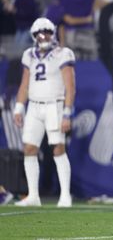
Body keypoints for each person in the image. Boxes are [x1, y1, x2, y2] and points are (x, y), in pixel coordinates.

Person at [13, 17, 76, 207]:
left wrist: (67, 113)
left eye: (47, 32)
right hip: (34, 105)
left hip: (54, 105)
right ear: (34, 36)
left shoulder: (62, 53)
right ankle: (33, 195)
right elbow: (25, 84)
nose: (43, 36)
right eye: (39, 33)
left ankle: (65, 195)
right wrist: (19, 106)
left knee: (58, 147)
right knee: (29, 148)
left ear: (52, 32)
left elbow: (70, 87)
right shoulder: (29, 55)